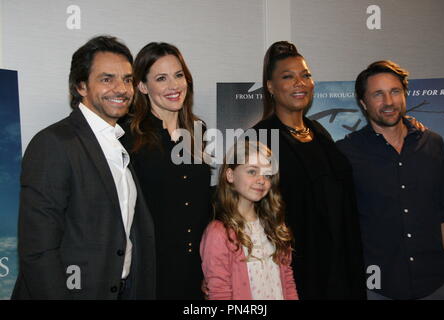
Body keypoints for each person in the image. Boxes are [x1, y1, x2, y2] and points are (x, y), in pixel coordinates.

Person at [12, 36, 156, 299]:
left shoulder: (121, 145)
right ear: (81, 86)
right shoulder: (54, 143)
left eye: (126, 79)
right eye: (106, 79)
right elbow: (38, 250)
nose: (121, 88)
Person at [252, 41, 367, 299]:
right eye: (288, 77)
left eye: (305, 75)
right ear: (270, 87)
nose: (299, 82)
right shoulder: (260, 139)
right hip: (297, 273)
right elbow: (250, 213)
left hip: (341, 266)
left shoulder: (320, 132)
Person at [336, 60, 444, 300]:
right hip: (378, 287)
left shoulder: (433, 144)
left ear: (405, 95)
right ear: (363, 103)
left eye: (395, 91)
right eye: (378, 94)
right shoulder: (346, 152)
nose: (388, 102)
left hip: (437, 283)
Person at [121, 42, 211, 299]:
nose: (174, 86)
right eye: (161, 78)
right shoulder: (128, 135)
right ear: (142, 86)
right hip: (151, 270)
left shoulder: (198, 130)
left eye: (179, 75)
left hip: (197, 267)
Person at [200, 140, 298, 300]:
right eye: (252, 171)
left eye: (267, 175)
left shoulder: (273, 225)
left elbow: (287, 281)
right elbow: (219, 293)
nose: (262, 180)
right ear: (230, 175)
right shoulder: (218, 233)